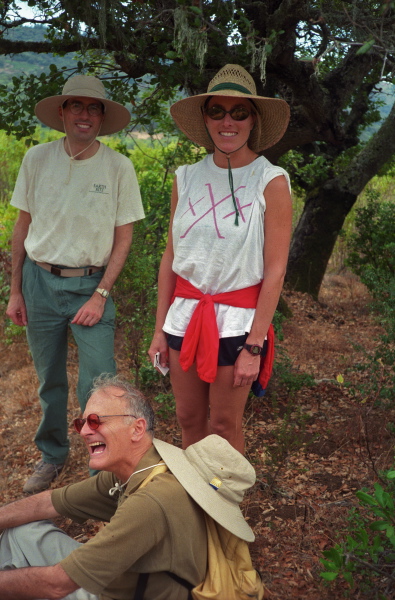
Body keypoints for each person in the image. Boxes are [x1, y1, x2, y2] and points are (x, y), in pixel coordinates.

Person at [5, 75, 145, 494]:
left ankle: (99, 471)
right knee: (49, 380)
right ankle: (52, 455)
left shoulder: (118, 167)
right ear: (63, 112)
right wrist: (16, 290)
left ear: (102, 116)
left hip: (90, 287)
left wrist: (101, 294)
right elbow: (22, 227)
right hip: (39, 282)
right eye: (77, 107)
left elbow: (124, 237)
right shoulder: (37, 159)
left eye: (94, 108)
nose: (84, 115)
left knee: (99, 385)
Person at [0, 374, 257, 600]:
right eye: (82, 423)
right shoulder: (139, 469)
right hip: (128, 583)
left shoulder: (152, 502)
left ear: (137, 429)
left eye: (95, 421)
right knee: (20, 532)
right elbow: (48, 502)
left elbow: (57, 584)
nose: (84, 431)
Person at [148, 64, 292, 453]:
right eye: (218, 111)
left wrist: (254, 345)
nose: (228, 121)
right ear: (206, 118)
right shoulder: (186, 177)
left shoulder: (270, 180)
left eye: (239, 112)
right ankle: (196, 508)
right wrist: (160, 328)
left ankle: (226, 508)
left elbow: (276, 269)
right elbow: (171, 257)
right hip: (184, 316)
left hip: (237, 325)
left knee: (225, 425)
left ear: (253, 119)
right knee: (188, 419)